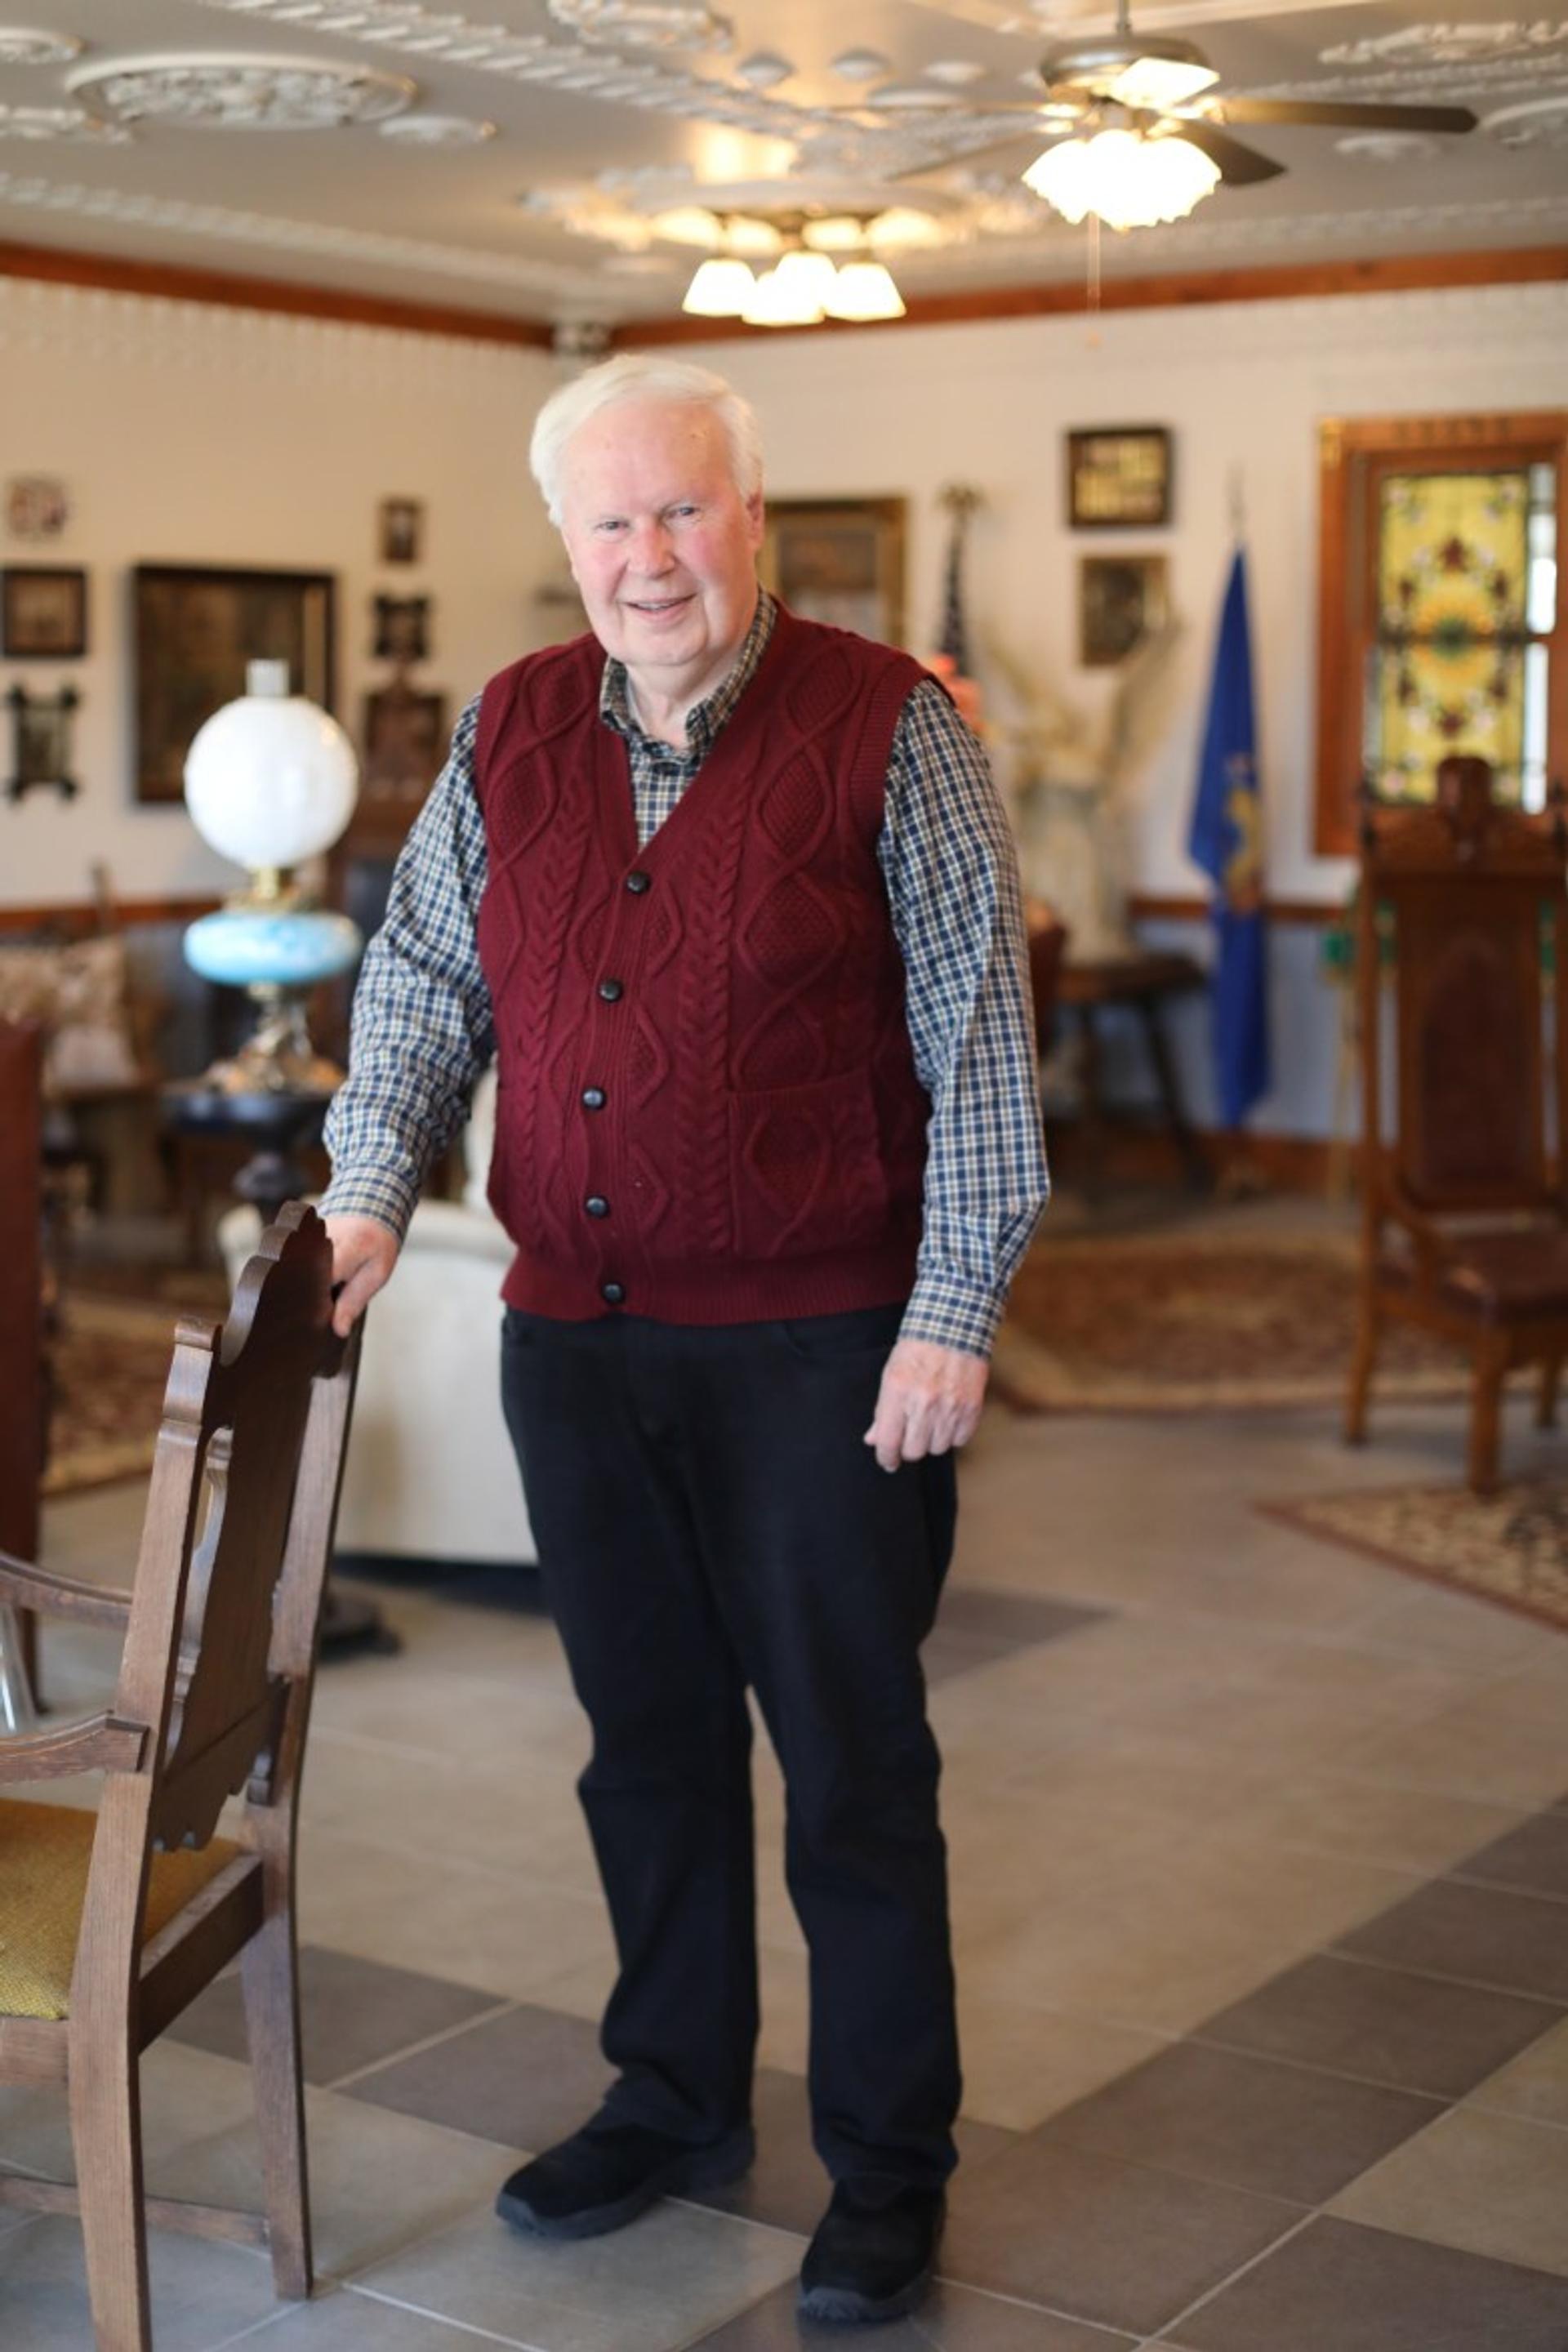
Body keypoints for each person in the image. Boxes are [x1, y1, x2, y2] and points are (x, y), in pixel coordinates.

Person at [320, 352, 1049, 2327]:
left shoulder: (894, 728)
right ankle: (675, 2097)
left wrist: (951, 1315)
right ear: (567, 540)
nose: (650, 558)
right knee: (643, 1754)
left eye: (684, 512)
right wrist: (372, 1186)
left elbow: (982, 1042)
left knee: (852, 1772)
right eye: (611, 520)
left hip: (829, 1349)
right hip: (579, 1345)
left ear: (756, 523)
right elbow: (420, 991)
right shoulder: (509, 730)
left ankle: (891, 2167)